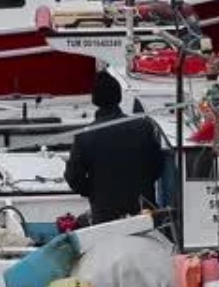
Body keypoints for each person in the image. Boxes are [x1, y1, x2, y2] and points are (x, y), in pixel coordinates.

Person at [64, 70, 166, 224]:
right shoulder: (143, 127)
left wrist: (93, 191)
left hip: (105, 215)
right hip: (143, 211)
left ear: (95, 100)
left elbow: (74, 178)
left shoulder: (85, 136)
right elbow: (158, 165)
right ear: (118, 96)